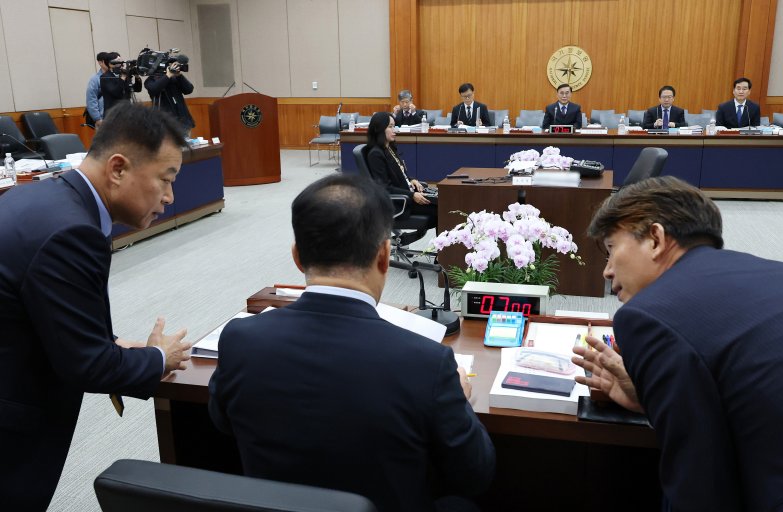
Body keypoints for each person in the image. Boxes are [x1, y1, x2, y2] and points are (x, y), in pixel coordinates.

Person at [208, 174, 495, 512]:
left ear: (297, 257)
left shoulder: (240, 339)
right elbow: (475, 474)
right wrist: (458, 397)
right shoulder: (427, 362)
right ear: (384, 257)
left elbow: (222, 422)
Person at [0, 103, 192, 511]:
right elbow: (86, 366)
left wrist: (114, 344)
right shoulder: (71, 232)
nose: (171, 196)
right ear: (118, 169)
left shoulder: (47, 198)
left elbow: (39, 310)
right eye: (166, 179)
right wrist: (160, 358)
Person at [572, 176, 783, 511]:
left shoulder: (650, 316)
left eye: (611, 249)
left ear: (655, 239)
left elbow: (698, 488)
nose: (606, 271)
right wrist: (647, 398)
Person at [366, 111, 437, 221]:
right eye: (390, 127)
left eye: (394, 126)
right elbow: (385, 188)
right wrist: (412, 195)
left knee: (443, 201)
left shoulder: (390, 148)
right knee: (443, 208)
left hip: (408, 194)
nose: (395, 130)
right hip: (401, 204)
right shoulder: (375, 154)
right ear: (379, 129)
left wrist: (411, 179)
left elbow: (400, 173)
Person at [144, 54, 195, 136]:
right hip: (165, 123)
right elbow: (154, 89)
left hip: (183, 121)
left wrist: (179, 75)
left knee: (187, 147)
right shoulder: (150, 80)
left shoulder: (175, 78)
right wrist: (168, 75)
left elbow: (189, 90)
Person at [84, 51, 107, 128]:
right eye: (106, 61)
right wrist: (97, 119)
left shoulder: (116, 77)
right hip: (102, 119)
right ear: (100, 63)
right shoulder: (95, 79)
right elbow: (91, 100)